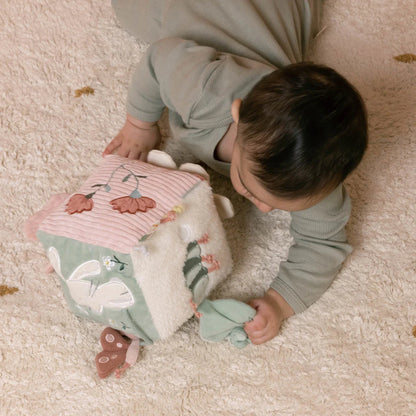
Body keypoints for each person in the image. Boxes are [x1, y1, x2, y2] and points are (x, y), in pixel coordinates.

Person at [104, 0, 368, 345]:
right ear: (237, 115)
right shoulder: (204, 89)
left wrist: (280, 302)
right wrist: (140, 124)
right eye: (252, 189)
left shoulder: (317, 175)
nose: (264, 209)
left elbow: (325, 244)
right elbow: (158, 59)